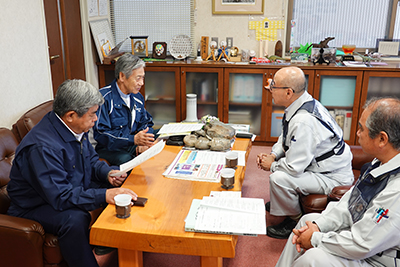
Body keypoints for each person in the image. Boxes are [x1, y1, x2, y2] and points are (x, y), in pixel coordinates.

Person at [7, 79, 138, 267]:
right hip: (35, 205)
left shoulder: (74, 127)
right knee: (75, 219)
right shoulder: (43, 148)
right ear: (70, 115)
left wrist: (108, 174)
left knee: (117, 184)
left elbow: (92, 160)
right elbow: (60, 196)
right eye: (93, 114)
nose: (96, 119)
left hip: (69, 186)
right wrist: (104, 194)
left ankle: (124, 245)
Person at [276, 97, 400, 267]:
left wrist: (315, 239)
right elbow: (350, 203)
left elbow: (362, 244)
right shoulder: (380, 163)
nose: (357, 133)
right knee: (308, 221)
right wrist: (318, 226)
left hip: (378, 259)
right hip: (364, 238)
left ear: (382, 139)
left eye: (361, 129)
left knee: (313, 259)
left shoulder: (396, 190)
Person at [256, 66, 354, 239]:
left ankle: (295, 220)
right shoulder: (304, 102)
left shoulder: (304, 121)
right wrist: (274, 154)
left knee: (278, 178)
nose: (269, 89)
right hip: (319, 165)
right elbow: (286, 136)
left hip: (332, 177)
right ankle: (284, 202)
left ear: (288, 92)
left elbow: (294, 168)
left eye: (273, 86)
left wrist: (272, 165)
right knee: (279, 169)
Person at [93, 53, 155, 166]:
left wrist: (144, 142)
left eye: (143, 78)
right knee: (126, 159)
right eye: (138, 78)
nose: (141, 83)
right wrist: (134, 140)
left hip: (131, 143)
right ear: (122, 76)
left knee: (160, 137)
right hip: (109, 149)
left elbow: (146, 122)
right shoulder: (103, 98)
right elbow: (102, 134)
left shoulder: (137, 97)